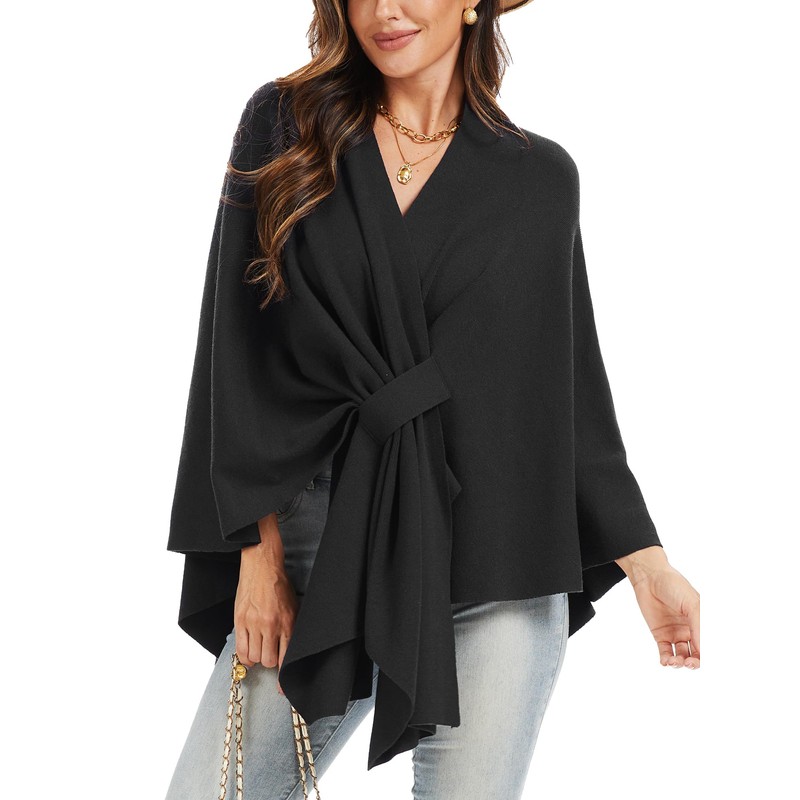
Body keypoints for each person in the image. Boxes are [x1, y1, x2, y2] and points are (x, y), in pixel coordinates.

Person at [164, 1, 701, 798]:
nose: (386, 10)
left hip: (501, 560)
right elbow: (236, 351)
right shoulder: (286, 126)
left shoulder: (540, 179)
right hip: (321, 545)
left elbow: (570, 395)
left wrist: (648, 563)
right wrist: (258, 551)